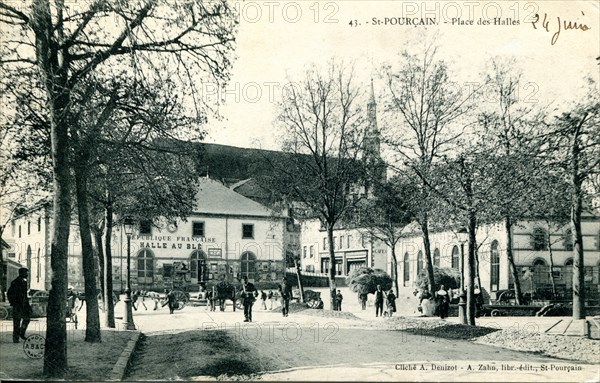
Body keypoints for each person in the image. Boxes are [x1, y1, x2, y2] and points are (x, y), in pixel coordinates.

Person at [8, 268, 32, 343]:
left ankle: (21, 333)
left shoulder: (24, 282)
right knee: (17, 322)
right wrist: (13, 302)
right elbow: (9, 293)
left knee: (27, 319)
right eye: (26, 273)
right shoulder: (15, 282)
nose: (27, 274)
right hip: (18, 305)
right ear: (22, 273)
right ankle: (16, 338)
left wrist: (27, 305)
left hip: (24, 305)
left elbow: (24, 295)